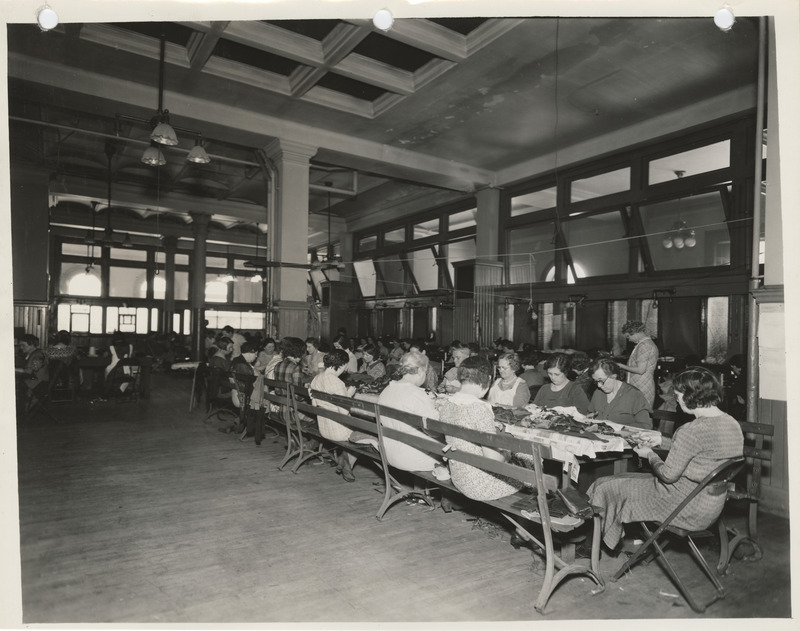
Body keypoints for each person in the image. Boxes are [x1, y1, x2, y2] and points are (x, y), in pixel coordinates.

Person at [587, 367, 743, 552]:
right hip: (709, 506)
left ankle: (596, 546)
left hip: (681, 506)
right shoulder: (731, 423)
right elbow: (701, 451)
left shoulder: (690, 430)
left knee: (604, 486)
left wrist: (649, 454)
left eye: (677, 395)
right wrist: (661, 440)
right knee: (612, 484)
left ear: (690, 395)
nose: (676, 400)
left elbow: (668, 476)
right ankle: (611, 539)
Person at [438, 356, 524, 501]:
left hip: (459, 478)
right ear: (489, 379)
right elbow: (493, 459)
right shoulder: (480, 408)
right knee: (527, 458)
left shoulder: (447, 404)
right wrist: (508, 452)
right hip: (482, 486)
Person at [377, 350, 442, 473]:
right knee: (453, 448)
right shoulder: (417, 394)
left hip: (388, 452)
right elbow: (434, 431)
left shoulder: (387, 389)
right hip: (411, 457)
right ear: (421, 371)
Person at [310, 349, 359, 482]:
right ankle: (347, 462)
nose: (345, 369)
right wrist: (349, 395)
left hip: (323, 428)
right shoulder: (337, 382)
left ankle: (345, 460)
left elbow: (314, 404)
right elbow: (344, 413)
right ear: (341, 365)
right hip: (339, 432)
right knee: (365, 432)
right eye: (345, 366)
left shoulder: (316, 378)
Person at [588, 357, 652, 428]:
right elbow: (591, 414)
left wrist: (616, 426)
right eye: (596, 381)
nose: (599, 385)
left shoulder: (634, 395)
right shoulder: (598, 393)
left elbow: (645, 426)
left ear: (614, 376)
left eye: (601, 381)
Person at [617, 320, 658, 407]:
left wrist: (620, 365)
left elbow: (640, 370)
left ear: (635, 333)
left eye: (628, 336)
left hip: (641, 385)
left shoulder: (644, 345)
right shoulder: (645, 344)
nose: (629, 340)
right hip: (640, 385)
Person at [17, 334, 49, 413]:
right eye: (20, 345)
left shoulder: (38, 355)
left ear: (32, 344)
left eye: (23, 345)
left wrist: (12, 369)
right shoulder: (34, 354)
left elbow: (29, 371)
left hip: (39, 384)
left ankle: (21, 412)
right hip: (35, 382)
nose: (21, 347)